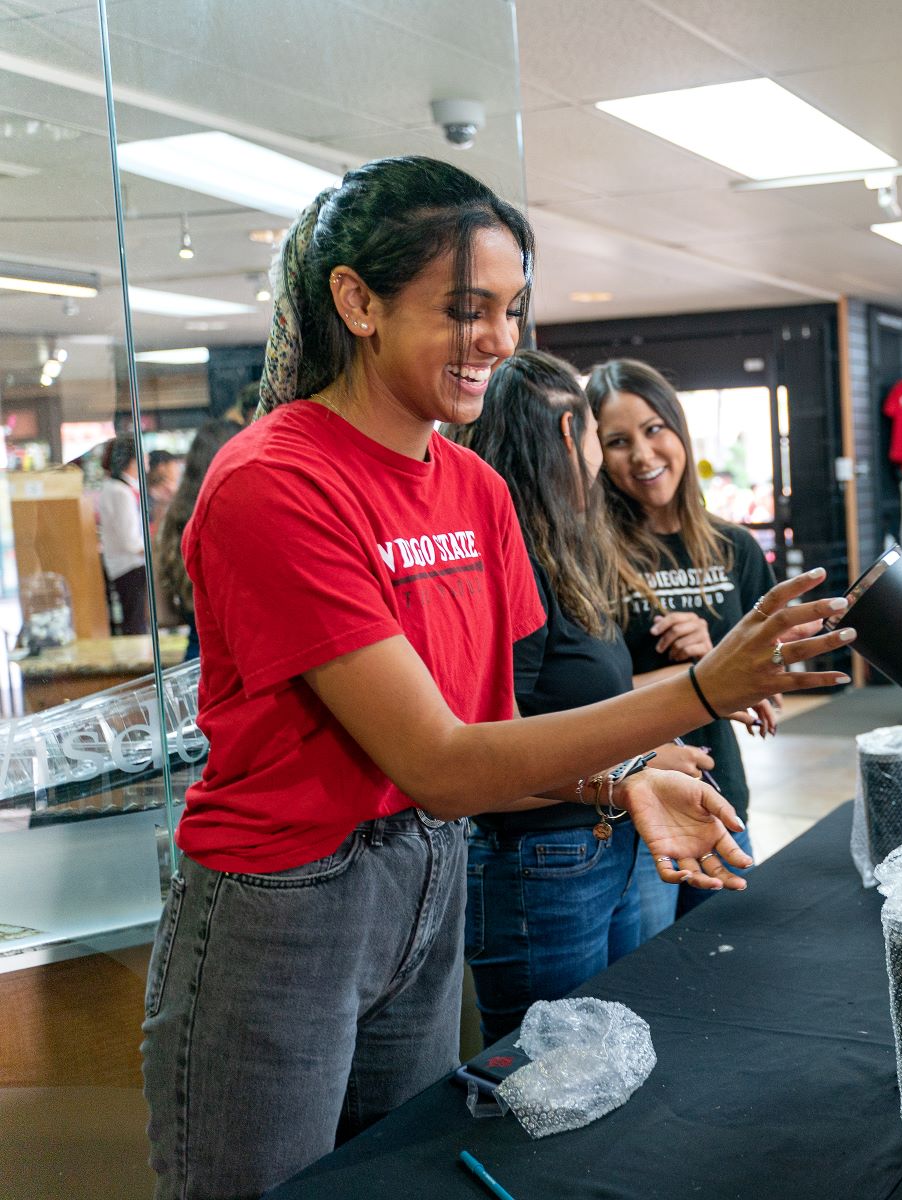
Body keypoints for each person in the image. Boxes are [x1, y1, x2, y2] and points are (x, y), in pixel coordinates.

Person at [140, 156, 854, 1200]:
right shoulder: (275, 483)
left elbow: (494, 736)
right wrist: (695, 697)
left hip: (428, 877)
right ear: (358, 302)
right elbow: (440, 762)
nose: (502, 343)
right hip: (282, 911)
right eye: (467, 310)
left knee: (397, 1178)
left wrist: (620, 779)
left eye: (513, 311)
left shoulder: (472, 487)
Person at [455, 349, 718, 1040]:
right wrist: (630, 770)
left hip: (598, 846)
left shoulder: (563, 550)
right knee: (555, 1068)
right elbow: (484, 760)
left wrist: (649, 748)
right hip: (545, 863)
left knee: (610, 1048)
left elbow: (577, 709)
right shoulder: (517, 568)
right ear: (570, 436)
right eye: (603, 435)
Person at [586, 358, 779, 925]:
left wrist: (713, 651)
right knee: (654, 965)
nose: (643, 456)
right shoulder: (592, 557)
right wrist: (698, 672)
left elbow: (772, 683)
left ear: (678, 429)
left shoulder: (734, 547)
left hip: (721, 785)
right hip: (638, 798)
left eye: (653, 430)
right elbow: (577, 695)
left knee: (715, 958)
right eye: (617, 441)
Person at [151, 419, 241, 661]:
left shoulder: (173, 518)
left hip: (196, 657)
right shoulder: (241, 513)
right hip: (245, 657)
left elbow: (164, 614)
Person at [95, 433, 150, 634]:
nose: (147, 459)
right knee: (136, 623)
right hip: (130, 566)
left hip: (124, 566)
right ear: (132, 460)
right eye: (143, 455)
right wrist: (152, 549)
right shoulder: (120, 492)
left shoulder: (114, 488)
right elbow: (131, 541)